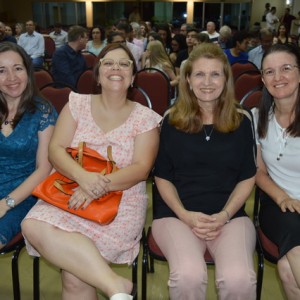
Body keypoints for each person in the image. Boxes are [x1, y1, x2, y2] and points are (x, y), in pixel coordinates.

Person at [21, 43, 161, 300]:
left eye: (124, 63)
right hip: (69, 192)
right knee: (31, 225)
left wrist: (97, 186)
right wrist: (83, 179)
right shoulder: (76, 103)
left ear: (132, 76)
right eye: (108, 63)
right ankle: (116, 286)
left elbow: (141, 169)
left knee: (75, 278)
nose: (115, 68)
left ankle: (117, 288)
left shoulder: (146, 118)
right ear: (97, 75)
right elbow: (56, 149)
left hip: (120, 202)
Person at [152, 43, 257, 300]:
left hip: (229, 216)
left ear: (226, 79)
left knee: (239, 280)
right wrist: (186, 216)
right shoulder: (171, 120)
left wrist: (224, 215)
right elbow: (162, 177)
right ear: (187, 79)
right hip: (176, 216)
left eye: (215, 74)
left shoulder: (242, 121)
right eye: (199, 74)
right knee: (188, 276)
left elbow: (247, 176)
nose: (207, 82)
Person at [253, 43, 300, 300]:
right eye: (269, 72)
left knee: (287, 269)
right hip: (277, 203)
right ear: (262, 79)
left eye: (286, 68)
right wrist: (283, 198)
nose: (278, 77)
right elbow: (259, 172)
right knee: (293, 232)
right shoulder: (257, 116)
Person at [0, 42, 57, 250]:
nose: (11, 78)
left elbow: (44, 169)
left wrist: (5, 204)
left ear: (27, 71)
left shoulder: (43, 112)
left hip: (22, 195)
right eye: (1, 71)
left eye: (17, 68)